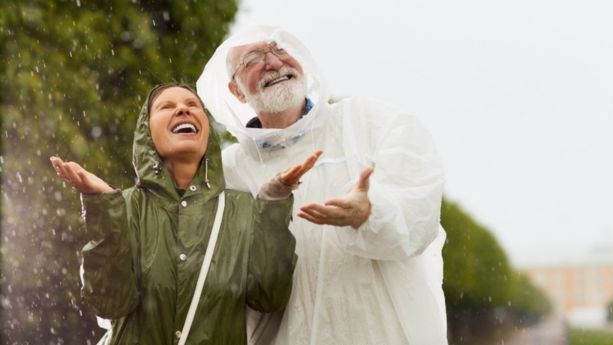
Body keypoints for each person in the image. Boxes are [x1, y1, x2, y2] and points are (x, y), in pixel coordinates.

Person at [197, 26, 449, 345]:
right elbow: (216, 275)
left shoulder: (366, 122)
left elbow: (419, 214)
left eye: (280, 50)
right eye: (253, 59)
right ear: (236, 91)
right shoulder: (228, 170)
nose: (273, 62)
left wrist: (370, 212)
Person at [50, 83, 321, 344]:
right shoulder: (123, 207)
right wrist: (104, 206)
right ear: (147, 133)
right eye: (167, 106)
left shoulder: (244, 211)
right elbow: (108, 303)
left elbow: (270, 297)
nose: (183, 109)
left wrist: (274, 206)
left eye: (193, 104)